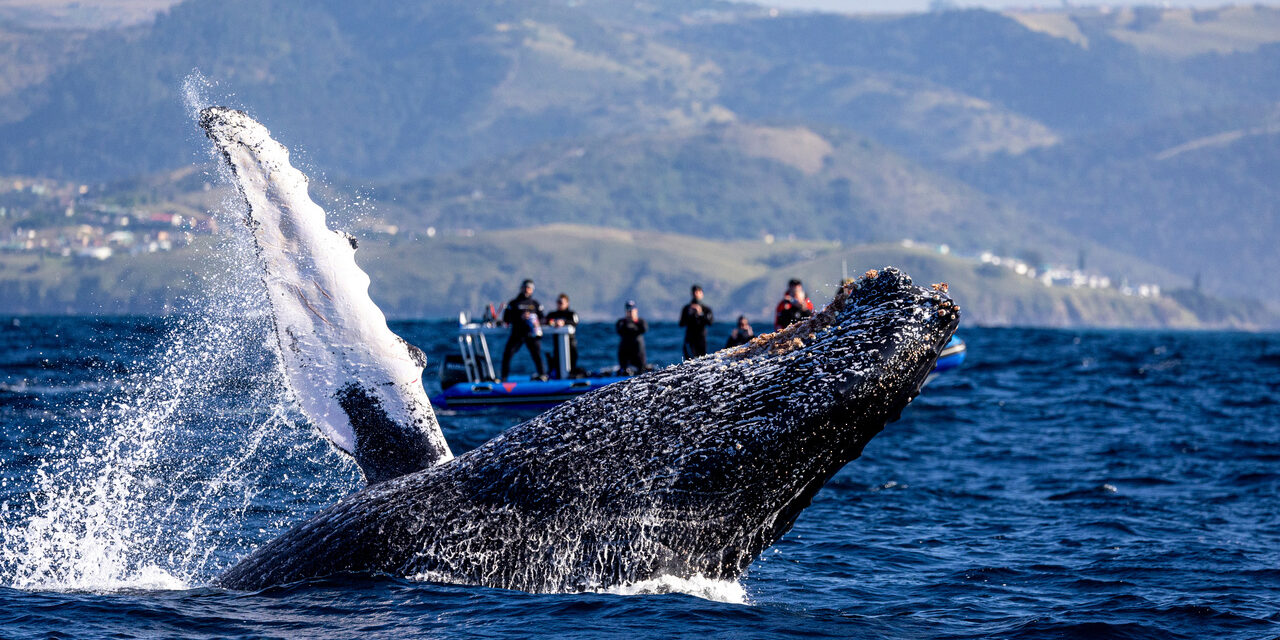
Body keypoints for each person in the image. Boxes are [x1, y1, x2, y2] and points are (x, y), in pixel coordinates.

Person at [500, 278, 547, 381]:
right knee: (508, 354)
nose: (527, 290)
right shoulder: (513, 303)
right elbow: (506, 318)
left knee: (537, 355)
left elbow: (543, 319)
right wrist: (520, 317)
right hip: (517, 334)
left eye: (529, 288)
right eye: (525, 287)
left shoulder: (535, 304)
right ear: (521, 288)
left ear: (532, 290)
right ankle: (504, 377)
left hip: (532, 334)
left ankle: (543, 375)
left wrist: (534, 318)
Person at [545, 292, 579, 379]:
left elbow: (575, 322)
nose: (559, 304)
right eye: (558, 302)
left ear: (567, 303)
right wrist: (551, 323)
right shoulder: (553, 314)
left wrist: (563, 322)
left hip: (570, 343)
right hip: (557, 343)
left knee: (571, 360)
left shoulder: (571, 314)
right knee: (556, 361)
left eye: (561, 302)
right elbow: (546, 320)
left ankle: (570, 375)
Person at [678, 284, 714, 359]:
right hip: (690, 338)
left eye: (698, 292)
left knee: (702, 359)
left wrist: (700, 313)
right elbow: (681, 323)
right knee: (689, 359)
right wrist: (689, 314)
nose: (696, 294)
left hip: (701, 338)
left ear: (702, 294)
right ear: (692, 294)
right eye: (695, 292)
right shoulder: (687, 308)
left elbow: (710, 322)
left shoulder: (706, 308)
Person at [615, 300, 648, 374]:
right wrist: (630, 324)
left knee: (641, 369)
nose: (630, 312)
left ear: (636, 310)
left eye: (632, 310)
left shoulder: (640, 321)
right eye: (628, 310)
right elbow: (619, 330)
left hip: (638, 353)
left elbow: (644, 329)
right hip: (625, 352)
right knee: (624, 370)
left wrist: (633, 322)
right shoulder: (621, 322)